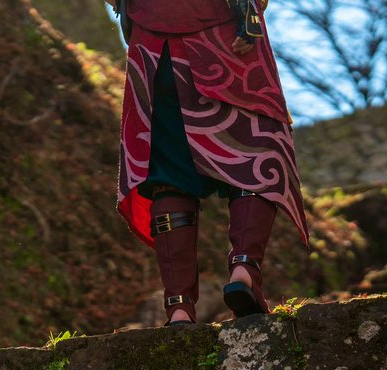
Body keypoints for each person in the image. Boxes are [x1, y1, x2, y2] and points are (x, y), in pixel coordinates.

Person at [110, 0, 308, 325]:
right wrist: (249, 15)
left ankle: (178, 308)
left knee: (169, 175)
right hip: (225, 34)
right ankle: (244, 268)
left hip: (154, 46)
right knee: (256, 152)